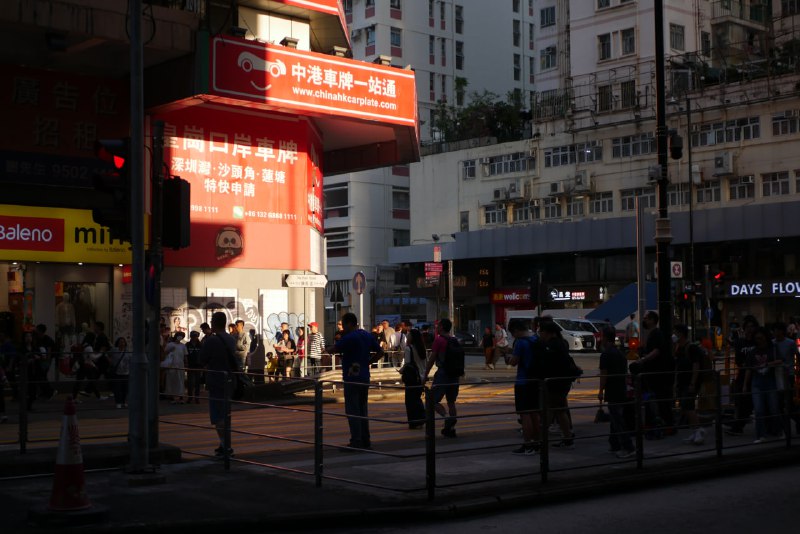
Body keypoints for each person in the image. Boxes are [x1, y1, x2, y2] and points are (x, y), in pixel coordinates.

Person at [334, 312, 384, 450]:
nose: (343, 327)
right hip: (364, 377)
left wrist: (327, 348)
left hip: (351, 378)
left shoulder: (349, 337)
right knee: (362, 410)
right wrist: (368, 362)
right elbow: (381, 352)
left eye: (344, 324)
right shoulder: (366, 335)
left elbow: (334, 349)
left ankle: (356, 440)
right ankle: (365, 440)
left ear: (349, 323)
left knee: (352, 410)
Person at [198, 311, 238, 458]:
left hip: (215, 380)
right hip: (229, 381)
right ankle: (224, 445)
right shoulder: (231, 339)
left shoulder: (211, 341)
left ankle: (226, 446)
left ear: (214, 323)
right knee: (226, 414)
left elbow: (201, 359)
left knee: (217, 416)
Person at [630, 311, 674, 437]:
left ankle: (667, 426)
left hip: (658, 374)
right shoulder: (652, 334)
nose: (644, 320)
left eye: (646, 318)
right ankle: (655, 424)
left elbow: (656, 351)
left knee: (660, 400)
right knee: (653, 399)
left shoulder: (657, 334)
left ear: (653, 320)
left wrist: (643, 360)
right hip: (653, 373)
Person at [598, 326, 635, 458]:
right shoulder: (620, 353)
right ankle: (614, 444)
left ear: (605, 337)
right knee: (616, 417)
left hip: (612, 389)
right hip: (621, 388)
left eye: (601, 336)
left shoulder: (606, 354)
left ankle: (628, 447)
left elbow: (604, 374)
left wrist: (600, 391)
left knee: (617, 419)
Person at [424, 318, 462, 438]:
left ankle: (446, 418)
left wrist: (425, 375)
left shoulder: (439, 340)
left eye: (438, 326)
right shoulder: (454, 340)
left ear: (441, 327)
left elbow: (431, 360)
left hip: (443, 374)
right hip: (454, 375)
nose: (436, 327)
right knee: (451, 402)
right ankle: (451, 428)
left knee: (432, 401)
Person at [508, 318, 541, 455]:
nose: (513, 336)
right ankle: (537, 443)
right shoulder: (536, 339)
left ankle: (528, 445)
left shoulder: (520, 343)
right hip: (536, 381)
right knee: (535, 413)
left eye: (512, 333)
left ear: (516, 330)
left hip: (523, 382)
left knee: (525, 414)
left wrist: (509, 358)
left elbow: (513, 362)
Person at [744, 326, 781, 443]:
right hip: (757, 382)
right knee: (759, 410)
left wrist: (769, 364)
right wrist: (745, 384)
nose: (759, 341)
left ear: (765, 338)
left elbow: (780, 360)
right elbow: (748, 369)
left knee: (774, 408)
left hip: (770, 381)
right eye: (757, 339)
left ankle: (778, 431)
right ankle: (761, 435)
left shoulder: (773, 348)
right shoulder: (752, 352)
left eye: (761, 338)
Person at [725, 315, 758, 436]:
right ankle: (737, 424)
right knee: (742, 401)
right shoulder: (740, 342)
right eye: (747, 326)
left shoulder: (757, 341)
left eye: (752, 326)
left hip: (757, 375)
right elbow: (738, 360)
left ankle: (738, 425)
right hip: (743, 375)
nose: (750, 329)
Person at [672, 324, 705, 445]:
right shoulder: (678, 347)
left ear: (681, 334)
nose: (673, 335)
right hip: (681, 382)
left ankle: (698, 430)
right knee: (684, 406)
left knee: (688, 406)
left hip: (689, 383)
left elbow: (696, 365)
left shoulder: (691, 347)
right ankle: (695, 431)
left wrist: (693, 383)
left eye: (675, 332)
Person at [772, 322, 800, 435]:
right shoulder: (772, 343)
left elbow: (798, 356)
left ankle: (795, 423)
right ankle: (785, 427)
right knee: (779, 403)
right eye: (775, 330)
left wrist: (796, 369)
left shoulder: (790, 343)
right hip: (776, 375)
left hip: (788, 375)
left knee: (789, 402)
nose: (776, 332)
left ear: (783, 331)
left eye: (778, 330)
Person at [401, 328, 427, 429]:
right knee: (417, 399)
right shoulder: (422, 348)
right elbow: (424, 364)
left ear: (412, 337)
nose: (407, 337)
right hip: (421, 377)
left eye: (409, 335)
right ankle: (421, 419)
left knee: (410, 401)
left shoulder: (409, 348)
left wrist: (401, 370)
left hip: (412, 378)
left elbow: (407, 364)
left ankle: (413, 422)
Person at [162, 332, 187, 404]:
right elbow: (165, 353)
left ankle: (181, 396)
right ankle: (172, 396)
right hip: (171, 365)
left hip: (180, 365)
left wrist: (186, 363)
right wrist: (169, 350)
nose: (180, 337)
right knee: (171, 380)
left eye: (182, 336)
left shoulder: (183, 346)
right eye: (179, 336)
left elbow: (185, 356)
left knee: (180, 380)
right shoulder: (170, 344)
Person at [108, 337, 130, 408]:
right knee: (117, 389)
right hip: (117, 372)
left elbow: (130, 361)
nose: (122, 343)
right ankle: (118, 402)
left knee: (125, 389)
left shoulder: (127, 352)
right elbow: (108, 354)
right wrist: (110, 361)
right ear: (117, 343)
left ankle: (123, 402)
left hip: (126, 372)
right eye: (120, 342)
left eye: (123, 342)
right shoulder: (114, 350)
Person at [185, 331, 203, 403]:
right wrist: (186, 363)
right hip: (190, 365)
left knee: (197, 382)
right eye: (193, 336)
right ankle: (190, 397)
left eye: (195, 336)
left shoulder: (200, 345)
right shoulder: (187, 345)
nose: (194, 338)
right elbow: (185, 355)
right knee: (190, 382)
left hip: (198, 365)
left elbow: (202, 354)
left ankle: (197, 397)